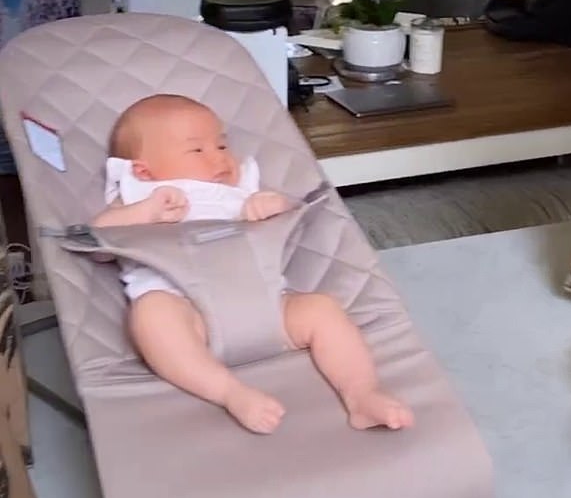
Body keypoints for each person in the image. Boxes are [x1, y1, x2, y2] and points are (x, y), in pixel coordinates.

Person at [93, 94, 415, 436]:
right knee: (151, 316)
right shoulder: (139, 195)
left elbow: (292, 215)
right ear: (144, 170)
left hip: (265, 303)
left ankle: (361, 393)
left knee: (322, 310)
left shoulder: (242, 189)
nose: (218, 157)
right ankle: (230, 392)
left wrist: (272, 204)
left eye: (221, 145)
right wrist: (145, 213)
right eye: (197, 150)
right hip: (186, 310)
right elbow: (96, 243)